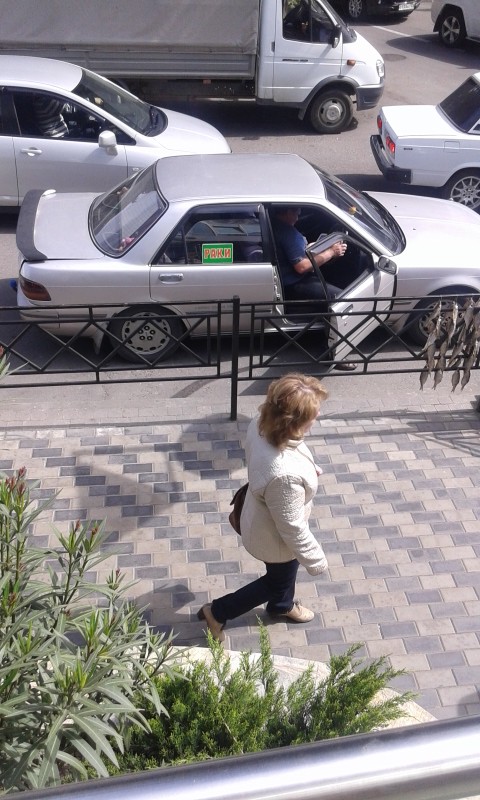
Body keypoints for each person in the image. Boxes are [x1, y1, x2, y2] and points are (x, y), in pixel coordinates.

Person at [198, 373, 329, 643]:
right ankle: (218, 612)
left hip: (262, 518)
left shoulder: (262, 424)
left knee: (284, 574)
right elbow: (291, 528)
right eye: (312, 414)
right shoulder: (285, 477)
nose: (317, 416)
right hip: (275, 537)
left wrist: (308, 468)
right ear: (293, 423)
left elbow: (289, 452)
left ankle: (281, 606)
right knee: (277, 582)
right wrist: (317, 561)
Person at [272, 206, 356, 371]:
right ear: (287, 211)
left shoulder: (277, 226)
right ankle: (333, 353)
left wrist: (317, 246)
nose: (298, 216)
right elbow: (302, 266)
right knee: (339, 299)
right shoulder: (286, 232)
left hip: (288, 279)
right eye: (296, 212)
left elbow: (297, 251)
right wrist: (331, 252)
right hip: (294, 283)